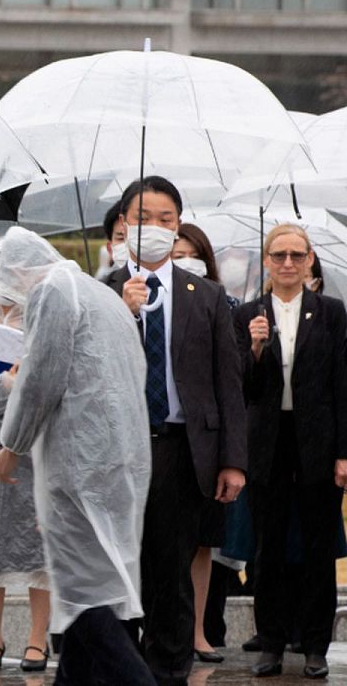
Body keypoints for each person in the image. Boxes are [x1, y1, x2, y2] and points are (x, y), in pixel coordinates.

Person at [0, 226, 154, 686]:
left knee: (85, 598)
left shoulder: (51, 292)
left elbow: (42, 377)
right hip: (119, 461)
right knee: (93, 589)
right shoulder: (100, 293)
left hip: (78, 466)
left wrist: (11, 445)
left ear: (19, 273)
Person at [102, 176, 247, 685]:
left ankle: (169, 669)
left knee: (172, 569)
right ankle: (120, 667)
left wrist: (232, 459)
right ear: (124, 225)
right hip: (117, 450)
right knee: (120, 567)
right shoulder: (100, 291)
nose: (156, 229)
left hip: (182, 448)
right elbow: (83, 373)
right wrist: (121, 312)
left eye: (167, 220)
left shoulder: (204, 294)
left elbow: (227, 382)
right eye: (144, 218)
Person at [235, 224, 347, 680]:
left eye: (296, 255)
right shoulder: (247, 314)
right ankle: (272, 643)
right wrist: (256, 349)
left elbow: (342, 383)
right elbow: (243, 388)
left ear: (309, 259)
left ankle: (316, 646)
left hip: (317, 441)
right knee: (268, 548)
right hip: (268, 443)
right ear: (266, 259)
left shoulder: (332, 312)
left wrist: (343, 451)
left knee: (320, 547)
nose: (287, 263)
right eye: (278, 254)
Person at [0, 240, 51, 674]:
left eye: (25, 271)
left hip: (39, 450)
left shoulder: (49, 321)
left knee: (41, 546)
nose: (15, 280)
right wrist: (4, 386)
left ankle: (38, 640)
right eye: (8, 271)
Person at [168, 222, 233, 663]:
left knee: (201, 543)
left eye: (193, 253)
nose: (184, 259)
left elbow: (231, 379)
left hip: (204, 442)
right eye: (178, 252)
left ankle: (197, 632)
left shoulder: (218, 301)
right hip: (159, 438)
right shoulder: (141, 295)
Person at [96, 200, 128, 281]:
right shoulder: (103, 287)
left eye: (135, 237)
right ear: (110, 248)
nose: (129, 244)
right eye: (121, 238)